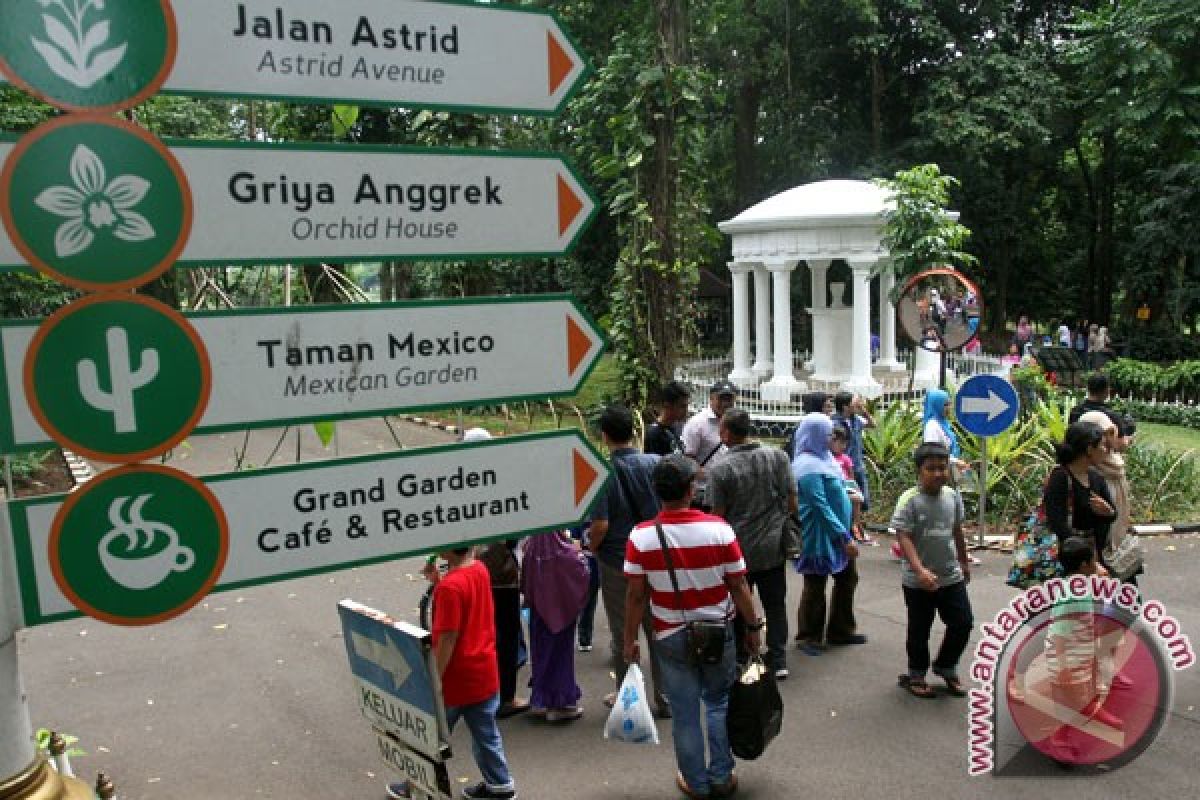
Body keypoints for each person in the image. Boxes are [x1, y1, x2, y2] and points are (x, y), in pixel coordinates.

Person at [623, 455, 763, 800]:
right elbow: (739, 586)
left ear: (657, 492)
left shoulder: (641, 537)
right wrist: (753, 625)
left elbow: (636, 597)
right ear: (691, 489)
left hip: (670, 633)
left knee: (685, 714)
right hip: (718, 631)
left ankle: (696, 784)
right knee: (717, 703)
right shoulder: (719, 529)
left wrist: (629, 640)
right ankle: (721, 776)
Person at [586, 405, 670, 716]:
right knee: (658, 628)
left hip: (619, 561)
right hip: (657, 556)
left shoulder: (602, 473)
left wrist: (591, 547)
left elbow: (601, 526)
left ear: (604, 435)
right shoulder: (656, 464)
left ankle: (629, 699)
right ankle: (665, 698)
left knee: (625, 630)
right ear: (634, 433)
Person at [420, 547, 519, 800]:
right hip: (484, 670)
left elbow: (448, 638)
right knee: (486, 735)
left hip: (457, 678)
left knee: (429, 734)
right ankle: (500, 785)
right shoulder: (479, 569)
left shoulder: (449, 589)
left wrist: (434, 678)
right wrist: (438, 581)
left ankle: (418, 784)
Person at [707, 409, 797, 679]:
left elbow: (717, 516)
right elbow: (792, 502)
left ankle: (740, 657)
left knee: (737, 602)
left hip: (737, 549)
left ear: (725, 433)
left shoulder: (721, 468)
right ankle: (779, 659)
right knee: (776, 603)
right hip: (772, 547)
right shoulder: (777, 457)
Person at [891, 443, 974, 699]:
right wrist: (919, 570)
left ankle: (946, 666)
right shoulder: (910, 500)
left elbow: (957, 530)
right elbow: (903, 537)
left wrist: (964, 560)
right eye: (931, 469)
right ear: (919, 470)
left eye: (942, 468)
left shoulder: (952, 496)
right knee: (920, 629)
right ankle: (916, 674)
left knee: (963, 623)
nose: (938, 473)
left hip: (950, 574)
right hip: (918, 581)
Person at [463, 430, 528, 720]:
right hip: (501, 573)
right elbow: (514, 527)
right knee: (507, 633)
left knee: (479, 630)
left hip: (471, 570)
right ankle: (506, 697)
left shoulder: (458, 481)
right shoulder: (500, 479)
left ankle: (479, 692)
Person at [1044, 536, 1125, 759]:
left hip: (1077, 655)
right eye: (1094, 561)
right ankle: (1058, 739)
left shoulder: (1076, 584)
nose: (1098, 565)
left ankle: (1092, 712)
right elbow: (1060, 634)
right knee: (1073, 705)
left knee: (1079, 697)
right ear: (1083, 566)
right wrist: (1062, 667)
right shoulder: (1074, 596)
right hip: (1067, 659)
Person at [791, 413, 865, 655]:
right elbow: (819, 505)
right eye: (826, 434)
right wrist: (843, 537)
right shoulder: (807, 466)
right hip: (820, 535)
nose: (830, 438)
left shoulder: (826, 460)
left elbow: (838, 487)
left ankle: (840, 629)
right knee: (815, 585)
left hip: (839, 530)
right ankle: (808, 636)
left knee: (847, 578)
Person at [521, 531, 589, 721]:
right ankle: (560, 705)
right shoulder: (564, 551)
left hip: (539, 612)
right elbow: (579, 572)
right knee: (560, 657)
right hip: (561, 609)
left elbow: (525, 582)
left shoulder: (532, 547)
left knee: (541, 654)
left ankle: (540, 700)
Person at [1077, 411, 1139, 583]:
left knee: (1125, 599)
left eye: (1112, 433)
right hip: (1092, 552)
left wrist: (1110, 513)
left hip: (1117, 546)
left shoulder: (1116, 465)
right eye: (1105, 436)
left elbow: (1113, 511)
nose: (1109, 442)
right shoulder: (1083, 472)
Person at [1044, 422, 1117, 564]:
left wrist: (1109, 512)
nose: (1106, 450)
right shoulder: (1060, 477)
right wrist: (1083, 553)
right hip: (1067, 557)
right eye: (1102, 445)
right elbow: (1057, 522)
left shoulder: (1096, 477)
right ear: (1089, 449)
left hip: (1093, 554)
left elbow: (1112, 513)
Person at [681, 380, 737, 509]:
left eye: (729, 399)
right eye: (721, 398)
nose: (726, 403)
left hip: (729, 490)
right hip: (704, 492)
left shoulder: (735, 422)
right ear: (711, 398)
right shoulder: (697, 424)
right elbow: (688, 459)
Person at [830, 391, 874, 512]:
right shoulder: (834, 423)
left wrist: (864, 411)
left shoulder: (856, 419)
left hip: (857, 464)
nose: (857, 405)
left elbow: (872, 424)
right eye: (854, 403)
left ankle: (859, 524)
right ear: (845, 406)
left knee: (861, 498)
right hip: (843, 466)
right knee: (847, 497)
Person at [1068, 373, 1134, 447]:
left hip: (1079, 456)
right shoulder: (1111, 416)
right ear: (1106, 390)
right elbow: (1120, 445)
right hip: (1101, 457)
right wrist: (1129, 439)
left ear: (1088, 388)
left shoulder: (1075, 411)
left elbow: (1070, 437)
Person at [829, 425, 869, 545]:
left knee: (857, 499)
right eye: (840, 443)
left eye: (844, 444)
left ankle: (855, 524)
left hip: (846, 486)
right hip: (834, 486)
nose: (843, 447)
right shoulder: (827, 458)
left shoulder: (846, 459)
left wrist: (853, 488)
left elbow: (851, 477)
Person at [921, 389, 970, 475]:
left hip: (947, 470)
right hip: (938, 473)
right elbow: (933, 452)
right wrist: (956, 462)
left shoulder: (943, 423)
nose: (949, 407)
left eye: (950, 404)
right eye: (945, 405)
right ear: (936, 405)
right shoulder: (932, 426)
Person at [570, 524, 600, 653]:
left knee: (587, 602)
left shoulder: (582, 520)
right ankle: (584, 638)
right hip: (587, 566)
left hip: (589, 566)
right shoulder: (580, 522)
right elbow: (575, 544)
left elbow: (575, 544)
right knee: (587, 603)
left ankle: (584, 637)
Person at [645, 380, 691, 456]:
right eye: (682, 406)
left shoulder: (678, 426)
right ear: (667, 405)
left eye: (687, 406)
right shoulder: (652, 435)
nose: (686, 411)